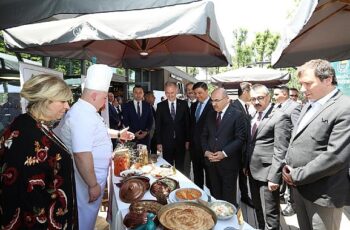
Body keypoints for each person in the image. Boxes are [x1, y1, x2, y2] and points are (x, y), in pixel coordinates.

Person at [55, 64, 134, 230]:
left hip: (93, 178)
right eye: (104, 98)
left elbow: (98, 132)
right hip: (86, 181)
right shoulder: (82, 114)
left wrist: (119, 134)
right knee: (84, 219)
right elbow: (81, 154)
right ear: (94, 95)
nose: (105, 102)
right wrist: (93, 185)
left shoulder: (87, 110)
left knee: (89, 218)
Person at [0, 74, 78, 229]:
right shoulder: (29, 136)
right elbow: (28, 197)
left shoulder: (27, 122)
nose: (67, 106)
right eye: (62, 101)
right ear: (44, 101)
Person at [282, 59, 350, 230]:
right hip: (299, 189)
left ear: (327, 79)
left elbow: (335, 157)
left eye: (308, 84)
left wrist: (296, 175)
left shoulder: (345, 107)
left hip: (323, 194)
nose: (303, 89)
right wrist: (287, 165)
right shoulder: (308, 105)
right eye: (301, 84)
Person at [248, 84, 292, 230]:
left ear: (269, 97)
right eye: (253, 99)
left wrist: (274, 177)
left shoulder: (280, 117)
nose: (256, 102)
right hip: (252, 171)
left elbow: (281, 150)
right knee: (258, 208)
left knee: (271, 214)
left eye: (260, 98)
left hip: (268, 174)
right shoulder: (254, 115)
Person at [201, 88, 246, 207]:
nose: (213, 104)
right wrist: (206, 151)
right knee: (215, 195)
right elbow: (204, 135)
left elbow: (240, 139)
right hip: (211, 163)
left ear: (227, 99)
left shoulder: (238, 115)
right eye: (212, 100)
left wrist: (224, 153)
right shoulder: (210, 114)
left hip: (228, 164)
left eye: (217, 100)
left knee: (228, 199)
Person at [272, 85, 301, 217]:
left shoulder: (294, 107)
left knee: (290, 180)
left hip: (288, 151)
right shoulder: (278, 106)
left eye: (276, 94)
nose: (274, 96)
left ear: (284, 93)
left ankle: (292, 205)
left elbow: (297, 130)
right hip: (279, 149)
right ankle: (285, 198)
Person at [156, 81, 190, 173]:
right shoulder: (160, 106)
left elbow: (187, 123)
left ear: (177, 91)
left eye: (172, 92)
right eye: (167, 93)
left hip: (181, 142)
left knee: (180, 167)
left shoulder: (183, 104)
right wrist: (159, 142)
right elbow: (158, 126)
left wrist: (187, 140)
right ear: (165, 92)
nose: (170, 95)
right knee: (167, 167)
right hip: (166, 142)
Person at [231, 82, 254, 208]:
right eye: (251, 92)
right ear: (245, 91)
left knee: (242, 175)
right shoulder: (235, 107)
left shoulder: (245, 106)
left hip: (243, 150)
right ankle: (232, 201)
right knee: (234, 176)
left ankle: (244, 196)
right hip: (236, 150)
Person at [190, 82, 213, 189]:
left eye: (200, 93)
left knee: (210, 177)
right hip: (195, 148)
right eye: (195, 93)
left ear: (207, 91)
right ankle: (198, 196)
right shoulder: (194, 105)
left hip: (208, 148)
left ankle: (209, 199)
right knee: (197, 175)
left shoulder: (213, 105)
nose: (197, 96)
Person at [184, 82, 196, 178]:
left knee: (198, 169)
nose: (190, 91)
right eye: (188, 90)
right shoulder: (182, 104)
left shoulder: (202, 104)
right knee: (185, 167)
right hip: (185, 142)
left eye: (192, 89)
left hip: (198, 143)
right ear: (186, 92)